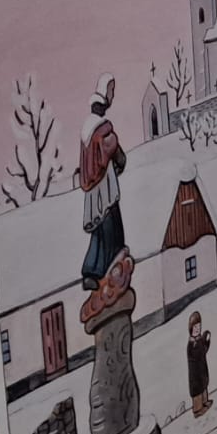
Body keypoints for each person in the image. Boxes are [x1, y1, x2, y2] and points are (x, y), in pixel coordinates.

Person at [78, 74, 128, 291]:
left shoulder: (86, 128)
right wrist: (120, 159)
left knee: (100, 229)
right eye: (111, 92)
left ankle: (93, 270)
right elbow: (112, 148)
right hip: (103, 186)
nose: (112, 97)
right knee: (109, 224)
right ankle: (107, 264)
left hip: (93, 187)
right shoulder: (101, 127)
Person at [185, 311, 214, 417]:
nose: (197, 329)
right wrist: (203, 341)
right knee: (198, 390)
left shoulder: (199, 340)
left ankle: (205, 402)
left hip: (202, 369)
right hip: (195, 373)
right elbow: (198, 353)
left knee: (204, 385)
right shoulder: (192, 344)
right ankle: (198, 409)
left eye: (199, 326)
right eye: (195, 327)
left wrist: (207, 340)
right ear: (191, 328)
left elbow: (204, 350)